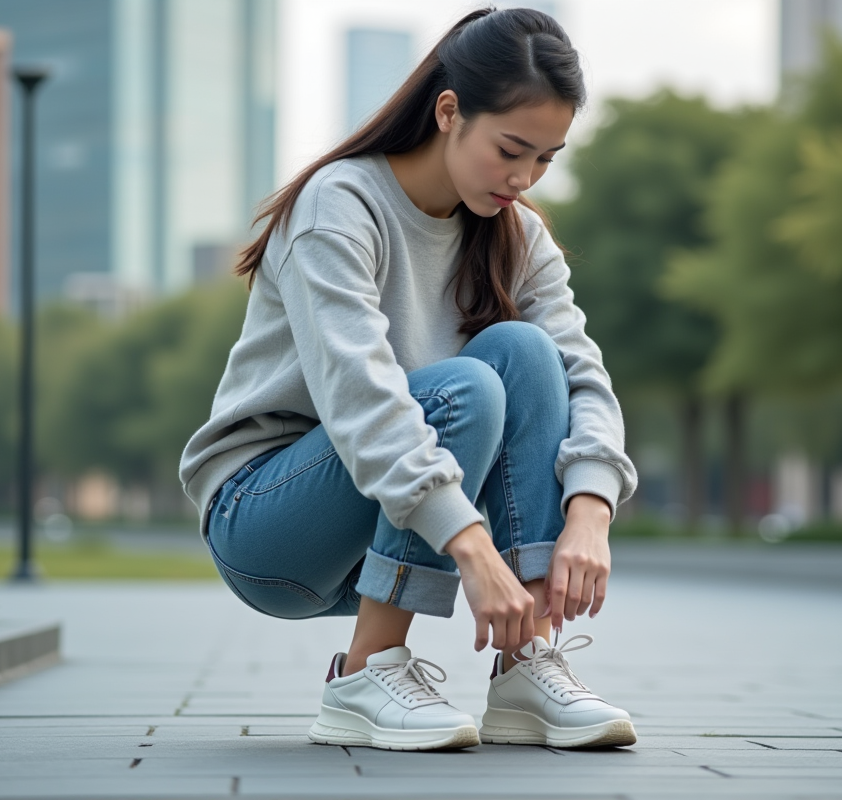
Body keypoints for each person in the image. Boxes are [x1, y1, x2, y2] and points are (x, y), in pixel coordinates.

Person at [179, 6, 638, 751]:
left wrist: (591, 505)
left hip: (388, 514)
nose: (523, 179)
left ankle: (524, 664)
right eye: (511, 150)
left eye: (547, 159)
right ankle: (365, 672)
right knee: (466, 389)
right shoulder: (340, 206)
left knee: (526, 353)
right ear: (449, 111)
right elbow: (364, 401)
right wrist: (472, 547)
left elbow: (583, 376)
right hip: (268, 521)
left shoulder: (516, 234)